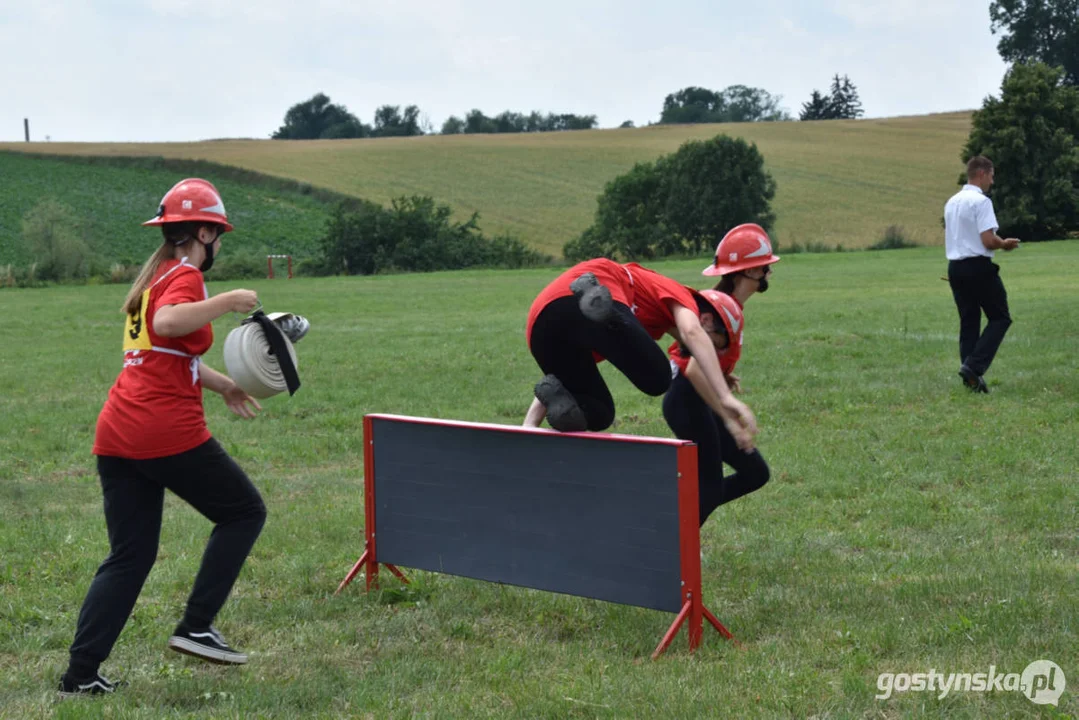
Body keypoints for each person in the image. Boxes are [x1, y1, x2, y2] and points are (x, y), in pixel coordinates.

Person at [59, 179, 268, 697]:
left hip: (117, 430)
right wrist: (227, 301)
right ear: (203, 232)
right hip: (162, 430)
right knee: (244, 512)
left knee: (129, 556)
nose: (219, 245)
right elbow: (171, 323)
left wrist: (221, 386)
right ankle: (197, 625)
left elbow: (163, 351)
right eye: (218, 236)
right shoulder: (186, 278)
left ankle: (79, 675)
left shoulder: (153, 276)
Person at [523, 258, 757, 450]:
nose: (709, 353)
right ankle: (607, 314)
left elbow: (560, 381)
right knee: (658, 378)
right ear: (705, 320)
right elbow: (692, 332)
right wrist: (725, 397)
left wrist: (528, 427)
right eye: (713, 345)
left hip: (541, 326)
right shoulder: (683, 298)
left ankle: (605, 314)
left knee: (600, 413)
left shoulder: (634, 334)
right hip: (596, 284)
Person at [663, 223, 777, 526]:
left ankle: (674, 516)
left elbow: (706, 362)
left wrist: (724, 375)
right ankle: (673, 542)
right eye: (765, 266)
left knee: (755, 473)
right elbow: (694, 367)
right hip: (686, 401)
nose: (769, 272)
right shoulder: (714, 310)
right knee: (709, 489)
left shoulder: (730, 305)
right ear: (749, 272)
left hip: (699, 399)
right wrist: (729, 419)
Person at [944, 156, 1020, 393]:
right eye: (992, 176)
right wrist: (1004, 243)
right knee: (1000, 317)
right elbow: (987, 241)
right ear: (982, 174)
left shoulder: (951, 202)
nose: (993, 181)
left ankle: (970, 378)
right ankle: (974, 367)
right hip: (978, 267)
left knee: (969, 322)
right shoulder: (981, 201)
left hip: (955, 267)